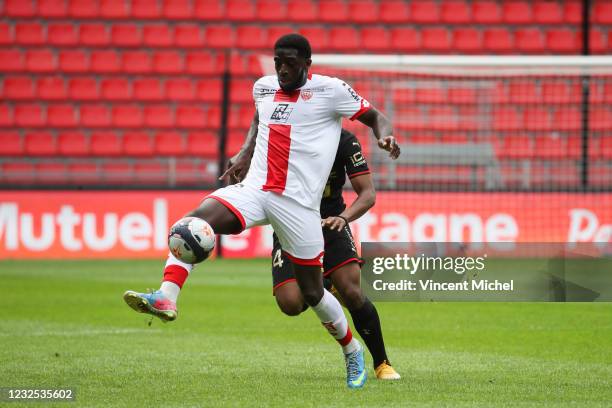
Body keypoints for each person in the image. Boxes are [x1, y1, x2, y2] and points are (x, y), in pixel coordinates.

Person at [123, 34, 400, 389]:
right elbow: (259, 121)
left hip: (299, 206)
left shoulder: (332, 91)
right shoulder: (264, 87)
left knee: (313, 294)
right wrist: (244, 152)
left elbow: (377, 117)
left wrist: (385, 136)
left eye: (290, 64)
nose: (282, 70)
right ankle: (166, 296)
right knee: (190, 224)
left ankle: (351, 351)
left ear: (308, 64)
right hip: (255, 190)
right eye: (277, 62)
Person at [270, 128, 401, 381]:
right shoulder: (283, 135)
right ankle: (325, 285)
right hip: (291, 223)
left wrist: (343, 218)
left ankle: (382, 363)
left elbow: (368, 194)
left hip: (331, 222)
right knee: (291, 303)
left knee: (352, 291)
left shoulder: (344, 140)